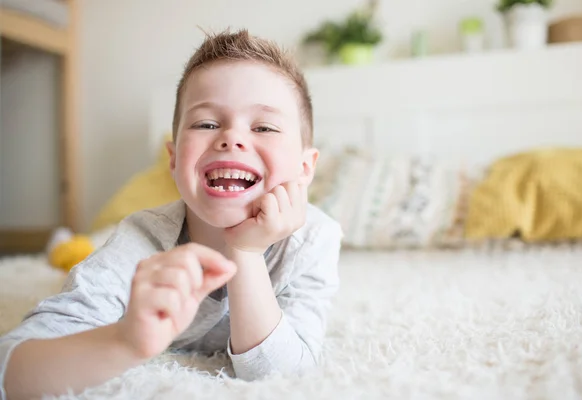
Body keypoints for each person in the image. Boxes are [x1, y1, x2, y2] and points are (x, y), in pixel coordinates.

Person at [0, 29, 342, 400]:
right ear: (175, 159)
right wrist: (123, 340)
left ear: (305, 169)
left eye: (263, 127)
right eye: (206, 124)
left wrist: (245, 253)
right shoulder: (142, 239)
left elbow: (285, 377)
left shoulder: (314, 240)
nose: (231, 138)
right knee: (90, 258)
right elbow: (12, 370)